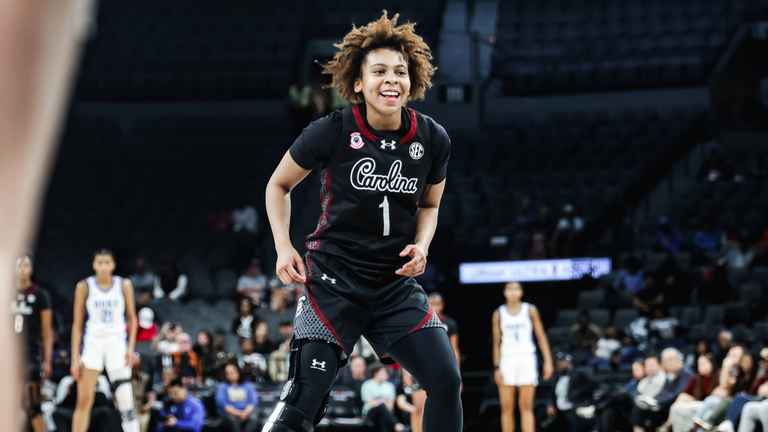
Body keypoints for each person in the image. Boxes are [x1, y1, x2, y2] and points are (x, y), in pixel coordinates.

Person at [263, 11, 461, 432]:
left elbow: (429, 206)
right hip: (333, 280)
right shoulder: (331, 131)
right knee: (305, 398)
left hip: (393, 284)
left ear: (412, 80)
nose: (392, 80)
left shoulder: (433, 138)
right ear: (357, 82)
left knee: (446, 381)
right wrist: (283, 245)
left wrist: (423, 245)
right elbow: (278, 185)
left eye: (400, 72)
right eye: (379, 71)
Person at [70, 249, 140, 432]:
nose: (103, 266)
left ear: (113, 265)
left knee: (125, 399)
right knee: (84, 401)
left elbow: (132, 318)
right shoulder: (84, 286)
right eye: (100, 263)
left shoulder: (123, 285)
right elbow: (77, 325)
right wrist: (74, 359)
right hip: (93, 342)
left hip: (116, 342)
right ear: (94, 265)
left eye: (107, 262)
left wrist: (130, 348)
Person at [492, 282, 554, 432]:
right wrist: (496, 367)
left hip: (527, 358)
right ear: (504, 293)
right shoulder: (498, 313)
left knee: (526, 406)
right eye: (510, 289)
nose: (513, 292)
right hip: (507, 359)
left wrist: (548, 361)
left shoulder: (530, 310)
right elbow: (496, 343)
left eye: (516, 289)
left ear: (522, 292)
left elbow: (541, 337)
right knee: (506, 407)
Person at [13, 254, 53, 432]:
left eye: (26, 265)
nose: (22, 269)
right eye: (19, 265)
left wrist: (47, 361)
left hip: (30, 357)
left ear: (31, 269)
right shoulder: (5, 292)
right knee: (9, 404)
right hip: (8, 357)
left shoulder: (40, 295)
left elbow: (47, 332)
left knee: (34, 404)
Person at [631, 348, 693, 432]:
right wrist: (654, 400)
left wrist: (659, 401)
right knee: (640, 408)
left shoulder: (687, 374)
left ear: (680, 360)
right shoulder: (670, 375)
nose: (669, 363)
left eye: (671, 360)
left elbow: (678, 393)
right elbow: (663, 391)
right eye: (666, 361)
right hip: (665, 403)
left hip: (675, 405)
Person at [659, 354, 718, 432]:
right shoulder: (696, 379)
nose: (701, 366)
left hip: (709, 405)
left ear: (711, 364)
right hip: (697, 402)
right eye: (699, 364)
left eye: (704, 363)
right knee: (678, 405)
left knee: (681, 403)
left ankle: (668, 425)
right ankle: (672, 426)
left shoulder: (717, 377)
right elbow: (686, 393)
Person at [541, 353, 596, 432]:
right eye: (559, 362)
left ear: (569, 362)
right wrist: (550, 405)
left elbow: (592, 384)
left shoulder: (579, 373)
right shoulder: (556, 378)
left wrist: (577, 393)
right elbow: (550, 394)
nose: (560, 364)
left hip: (575, 408)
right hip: (560, 411)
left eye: (563, 361)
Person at [361, 363, 404, 432]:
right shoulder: (367, 385)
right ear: (376, 373)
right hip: (371, 412)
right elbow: (370, 403)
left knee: (383, 417)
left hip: (386, 413)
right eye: (383, 373)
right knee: (381, 407)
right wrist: (381, 402)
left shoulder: (389, 386)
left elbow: (390, 405)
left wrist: (381, 403)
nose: (386, 375)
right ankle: (396, 424)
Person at [216, 364, 259, 432]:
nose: (230, 375)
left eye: (232, 372)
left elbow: (253, 402)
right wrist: (238, 413)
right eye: (227, 373)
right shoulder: (222, 387)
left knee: (253, 418)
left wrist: (245, 413)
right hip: (230, 413)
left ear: (238, 372)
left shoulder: (248, 385)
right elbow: (222, 403)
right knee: (232, 420)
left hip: (246, 411)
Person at [428, 292, 460, 369]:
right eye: (432, 304)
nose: (434, 307)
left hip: (444, 361)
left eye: (437, 304)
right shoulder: (420, 323)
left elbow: (454, 349)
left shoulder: (450, 324)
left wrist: (457, 370)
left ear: (442, 306)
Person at [130, 353, 156, 432]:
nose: (134, 370)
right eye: (132, 367)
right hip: (124, 408)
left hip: (140, 409)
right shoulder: (121, 378)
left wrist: (147, 406)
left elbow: (151, 397)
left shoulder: (146, 378)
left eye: (136, 367)